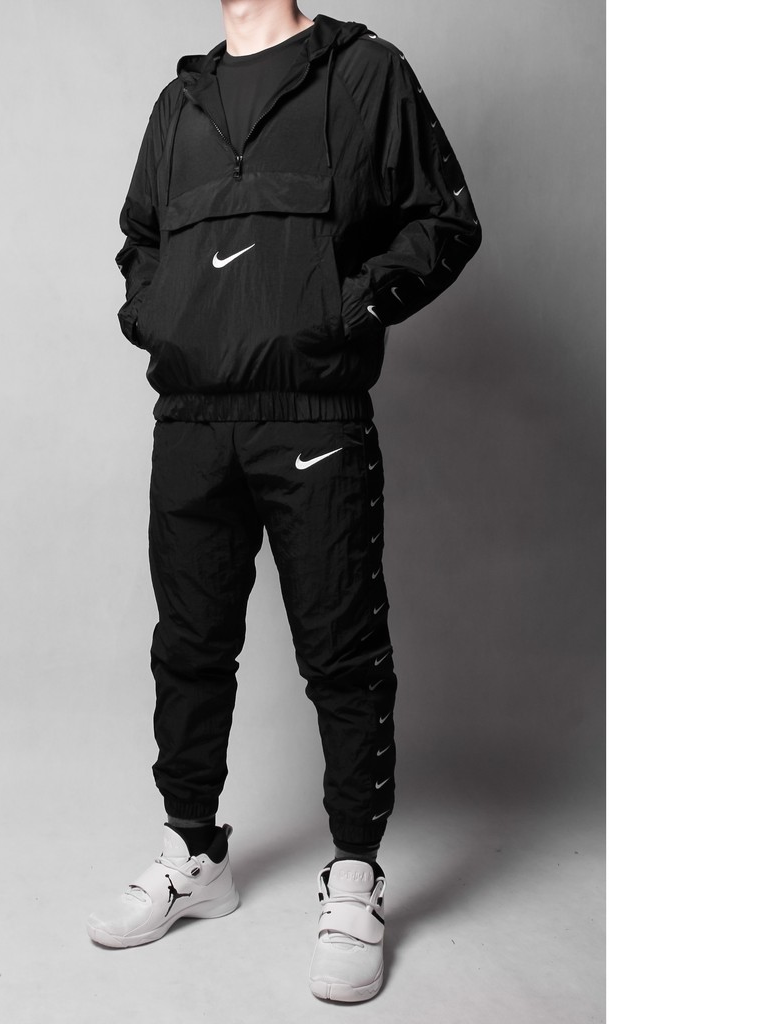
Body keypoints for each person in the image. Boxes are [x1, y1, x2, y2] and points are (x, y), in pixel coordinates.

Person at [87, 1, 481, 1002]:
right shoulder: (180, 101)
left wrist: (343, 311)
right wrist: (162, 320)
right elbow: (139, 241)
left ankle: (355, 876)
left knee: (342, 651)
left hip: (315, 415)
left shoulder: (366, 73)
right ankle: (193, 853)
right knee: (188, 646)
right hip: (191, 420)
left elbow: (444, 220)